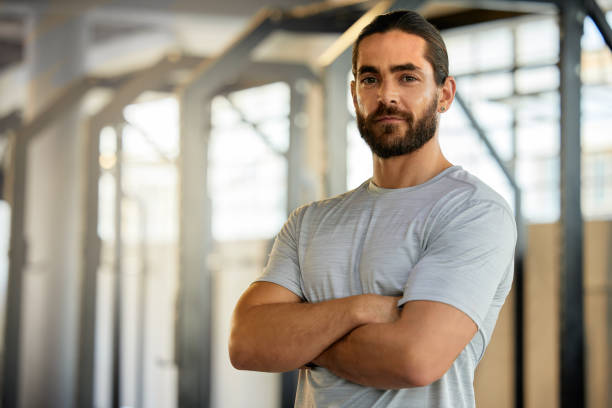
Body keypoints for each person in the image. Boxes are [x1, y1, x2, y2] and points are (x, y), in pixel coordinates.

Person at [229, 10, 516, 408]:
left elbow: (415, 359)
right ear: (354, 95)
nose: (387, 96)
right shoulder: (309, 222)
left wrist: (304, 343)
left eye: (408, 77)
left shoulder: (473, 211)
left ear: (445, 94)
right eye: (370, 79)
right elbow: (246, 343)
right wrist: (362, 309)